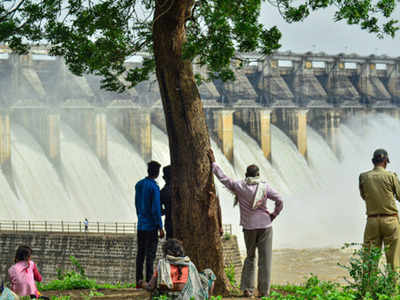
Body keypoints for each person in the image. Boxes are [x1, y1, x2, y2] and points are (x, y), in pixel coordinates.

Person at [207, 149, 283, 298]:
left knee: (250, 257)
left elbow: (224, 179)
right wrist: (273, 214)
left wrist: (213, 162)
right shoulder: (264, 187)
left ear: (246, 175)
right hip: (265, 226)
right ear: (258, 174)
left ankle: (247, 289)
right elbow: (280, 200)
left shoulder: (239, 186)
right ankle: (263, 291)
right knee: (265, 259)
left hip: (249, 227)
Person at [359, 149, 400, 271]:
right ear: (385, 161)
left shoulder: (363, 177)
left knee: (370, 261)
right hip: (390, 221)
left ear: (373, 161)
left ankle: (368, 289)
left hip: (372, 221)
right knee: (394, 262)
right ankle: (392, 289)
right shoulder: (391, 176)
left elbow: (364, 196)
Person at [140, 239, 216, 300]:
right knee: (209, 273)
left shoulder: (162, 264)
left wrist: (141, 283)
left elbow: (150, 287)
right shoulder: (190, 264)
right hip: (187, 297)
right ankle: (209, 298)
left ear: (167, 252)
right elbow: (195, 281)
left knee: (155, 291)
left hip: (166, 297)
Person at [135, 160, 165, 288]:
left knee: (140, 253)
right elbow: (155, 209)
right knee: (150, 255)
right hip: (151, 226)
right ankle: (148, 281)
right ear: (157, 173)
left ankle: (138, 280)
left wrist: (141, 217)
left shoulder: (139, 185)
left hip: (141, 225)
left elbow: (136, 204)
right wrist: (160, 227)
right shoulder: (154, 187)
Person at [160, 165, 173, 239]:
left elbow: (160, 212)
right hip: (184, 224)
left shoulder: (162, 192)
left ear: (164, 178)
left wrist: (167, 210)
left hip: (169, 224)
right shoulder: (182, 190)